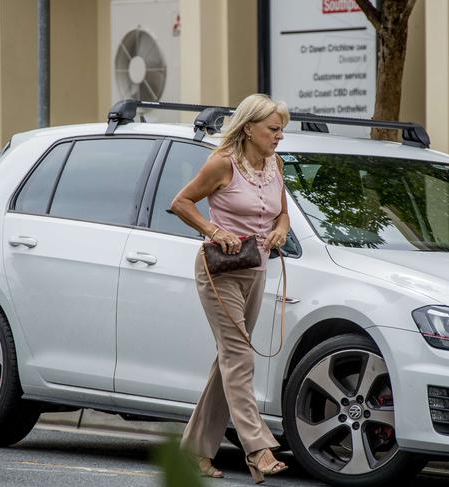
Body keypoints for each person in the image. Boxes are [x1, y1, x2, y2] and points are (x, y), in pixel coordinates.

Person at [170, 93, 290, 483]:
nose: (279, 137)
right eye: (273, 129)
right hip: (219, 272)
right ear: (249, 127)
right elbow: (182, 202)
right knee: (239, 357)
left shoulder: (276, 166)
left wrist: (278, 231)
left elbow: (284, 214)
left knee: (229, 361)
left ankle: (194, 452)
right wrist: (214, 229)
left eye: (281, 130)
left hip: (256, 269)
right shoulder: (222, 164)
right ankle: (258, 449)